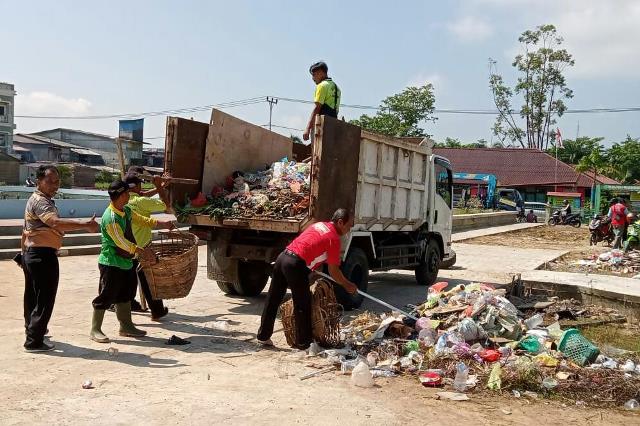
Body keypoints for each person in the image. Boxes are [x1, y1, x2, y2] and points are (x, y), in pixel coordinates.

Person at [22, 165, 100, 352]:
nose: (54, 185)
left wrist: (23, 253)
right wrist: (84, 224)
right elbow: (54, 222)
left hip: (33, 253)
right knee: (44, 299)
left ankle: (33, 331)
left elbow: (26, 227)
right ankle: (34, 341)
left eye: (57, 182)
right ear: (39, 181)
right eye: (50, 182)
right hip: (41, 255)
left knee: (33, 297)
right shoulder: (41, 202)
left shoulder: (38, 199)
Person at [257, 208, 358, 349]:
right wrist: (348, 285)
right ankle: (304, 343)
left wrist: (313, 265)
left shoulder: (319, 225)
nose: (349, 229)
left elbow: (311, 246)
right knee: (303, 304)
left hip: (283, 257)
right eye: (349, 226)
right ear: (340, 222)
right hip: (295, 264)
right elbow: (333, 271)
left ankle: (263, 336)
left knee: (273, 298)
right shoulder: (334, 238)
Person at [90, 179, 174, 343]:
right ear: (121, 195)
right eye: (127, 193)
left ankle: (126, 326)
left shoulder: (126, 210)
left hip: (126, 261)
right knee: (107, 296)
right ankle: (95, 329)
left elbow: (141, 219)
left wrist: (160, 222)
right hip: (111, 263)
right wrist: (141, 251)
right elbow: (120, 242)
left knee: (126, 294)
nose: (129, 195)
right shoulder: (111, 217)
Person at [124, 172, 171, 321]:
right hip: (142, 247)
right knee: (150, 280)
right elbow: (166, 205)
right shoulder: (141, 202)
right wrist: (160, 187)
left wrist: (160, 186)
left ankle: (125, 307)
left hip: (124, 247)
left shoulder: (121, 201)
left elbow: (143, 195)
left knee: (128, 280)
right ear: (138, 186)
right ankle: (156, 311)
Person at [303, 61, 341, 142]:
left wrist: (307, 128)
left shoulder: (322, 86)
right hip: (333, 125)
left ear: (321, 72)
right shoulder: (337, 88)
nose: (313, 78)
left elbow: (317, 108)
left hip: (322, 126)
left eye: (314, 75)